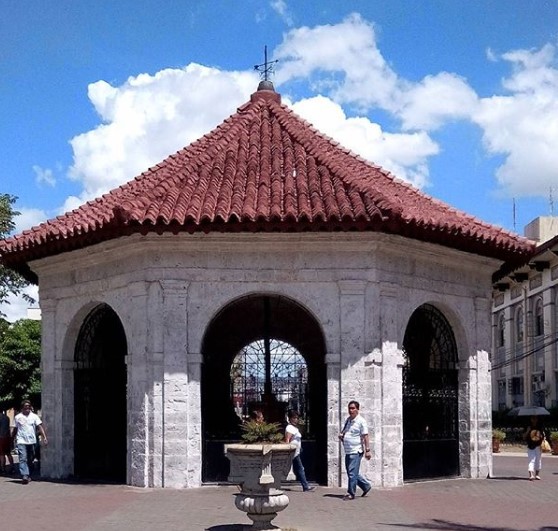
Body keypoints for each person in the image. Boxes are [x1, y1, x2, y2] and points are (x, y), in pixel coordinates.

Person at [339, 400, 371, 500]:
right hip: (348, 450)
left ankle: (351, 493)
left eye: (353, 408)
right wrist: (342, 435)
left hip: (356, 450)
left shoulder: (361, 421)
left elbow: (365, 436)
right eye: (349, 408)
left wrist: (367, 450)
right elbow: (344, 431)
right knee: (351, 472)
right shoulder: (348, 420)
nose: (351, 410)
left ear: (357, 409)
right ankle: (366, 486)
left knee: (352, 473)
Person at [12, 400, 48, 484]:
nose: (27, 409)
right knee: (23, 458)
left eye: (28, 407)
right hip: (21, 440)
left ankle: (28, 475)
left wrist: (44, 437)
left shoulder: (34, 416)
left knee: (30, 459)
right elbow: (15, 429)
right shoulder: (18, 417)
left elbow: (39, 427)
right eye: (25, 407)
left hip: (32, 441)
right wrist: (12, 438)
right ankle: (25, 475)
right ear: (22, 408)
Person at [284, 410, 315, 492]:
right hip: (293, 453)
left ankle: (305, 486)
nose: (296, 420)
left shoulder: (294, 428)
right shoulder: (289, 428)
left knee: (299, 468)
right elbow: (287, 440)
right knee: (300, 468)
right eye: (294, 418)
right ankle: (305, 486)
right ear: (290, 418)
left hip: (296, 452)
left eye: (297, 418)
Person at [523, 415, 548, 481]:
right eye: (533, 418)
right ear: (531, 419)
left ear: (537, 419)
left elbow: (543, 436)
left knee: (538, 460)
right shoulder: (528, 426)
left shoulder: (540, 427)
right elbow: (524, 437)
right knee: (531, 460)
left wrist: (542, 435)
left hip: (538, 446)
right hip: (531, 446)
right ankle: (531, 475)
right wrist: (528, 431)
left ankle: (537, 474)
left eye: (535, 418)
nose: (534, 420)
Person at [0, 410, 15, 475]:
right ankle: (12, 467)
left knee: (1, 454)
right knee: (8, 453)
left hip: (0, 437)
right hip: (7, 437)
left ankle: (3, 468)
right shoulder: (7, 417)